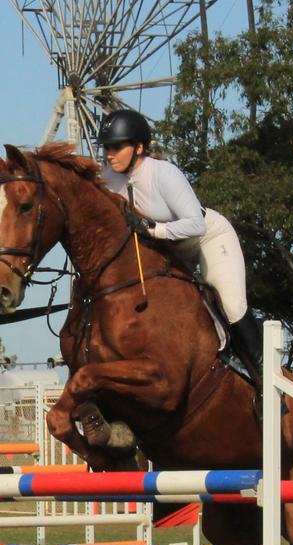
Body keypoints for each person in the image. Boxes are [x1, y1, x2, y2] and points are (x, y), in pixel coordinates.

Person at [93, 108, 263, 379]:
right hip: (169, 252)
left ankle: (267, 380)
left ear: (138, 148)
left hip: (207, 239)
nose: (109, 154)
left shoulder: (163, 173)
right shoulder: (109, 179)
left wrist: (153, 229)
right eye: (106, 148)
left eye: (115, 147)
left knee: (231, 305)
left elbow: (196, 224)